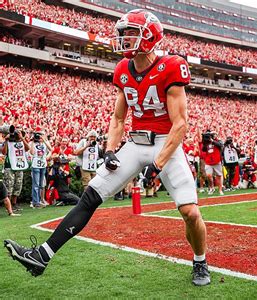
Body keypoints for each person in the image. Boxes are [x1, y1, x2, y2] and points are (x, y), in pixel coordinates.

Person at [4, 9, 210, 286]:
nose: (124, 39)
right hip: (136, 143)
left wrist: (158, 164)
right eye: (123, 34)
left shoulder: (171, 65)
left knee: (190, 212)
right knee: (91, 195)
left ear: (149, 36)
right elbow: (118, 117)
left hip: (165, 143)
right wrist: (111, 149)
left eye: (130, 34)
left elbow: (180, 124)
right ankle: (42, 255)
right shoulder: (124, 69)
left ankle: (200, 261)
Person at [29, 131, 52, 208]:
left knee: (41, 184)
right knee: (36, 184)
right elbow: (32, 152)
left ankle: (38, 201)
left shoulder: (45, 143)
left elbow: (50, 149)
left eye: (40, 136)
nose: (39, 138)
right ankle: (36, 202)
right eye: (38, 136)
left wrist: (44, 140)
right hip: (35, 165)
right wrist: (32, 141)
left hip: (43, 165)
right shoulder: (33, 143)